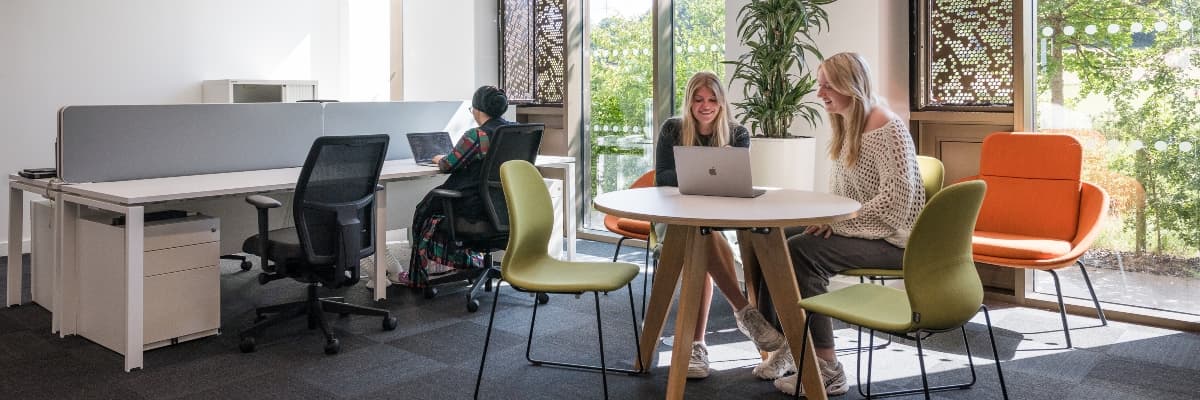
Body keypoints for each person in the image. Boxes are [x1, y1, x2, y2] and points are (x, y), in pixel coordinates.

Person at [769, 53, 925, 396]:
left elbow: (896, 202)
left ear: (850, 85)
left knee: (803, 252)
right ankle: (790, 343)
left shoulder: (887, 127)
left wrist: (837, 225)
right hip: (864, 230)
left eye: (827, 84)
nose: (819, 92)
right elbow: (843, 195)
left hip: (897, 242)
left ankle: (827, 366)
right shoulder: (845, 122)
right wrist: (824, 219)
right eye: (819, 83)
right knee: (772, 237)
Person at [654, 71, 786, 380]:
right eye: (698, 99)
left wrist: (702, 168)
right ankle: (743, 312)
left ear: (722, 102)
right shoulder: (672, 130)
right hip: (676, 217)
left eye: (712, 99)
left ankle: (697, 345)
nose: (705, 106)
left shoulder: (737, 133)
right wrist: (708, 162)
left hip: (720, 218)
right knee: (699, 238)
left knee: (705, 236)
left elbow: (736, 183)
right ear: (689, 102)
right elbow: (662, 178)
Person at [402, 86, 513, 287]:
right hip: (507, 210)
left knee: (424, 209)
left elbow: (447, 165)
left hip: (476, 211)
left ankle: (419, 275)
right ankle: (461, 262)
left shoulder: (477, 136)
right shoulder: (514, 132)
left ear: (477, 110)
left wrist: (437, 158)